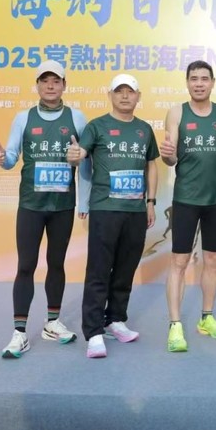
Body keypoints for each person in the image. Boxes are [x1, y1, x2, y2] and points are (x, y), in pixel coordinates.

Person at [0, 60, 91, 359]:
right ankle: (19, 333)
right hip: (31, 205)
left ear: (64, 85)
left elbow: (85, 160)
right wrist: (4, 159)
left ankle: (52, 323)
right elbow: (12, 156)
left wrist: (84, 202)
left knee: (57, 263)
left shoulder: (77, 117)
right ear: (37, 85)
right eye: (45, 81)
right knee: (26, 265)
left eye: (56, 81)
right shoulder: (23, 118)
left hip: (62, 205)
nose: (50, 86)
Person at [67, 74, 158, 359]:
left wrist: (151, 202)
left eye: (130, 92)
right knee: (99, 270)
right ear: (110, 96)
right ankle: (94, 331)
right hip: (105, 208)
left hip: (135, 211)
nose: (125, 96)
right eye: (119, 92)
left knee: (125, 268)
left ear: (138, 96)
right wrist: (74, 154)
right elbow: (81, 154)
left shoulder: (144, 130)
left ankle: (115, 319)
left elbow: (151, 166)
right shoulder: (97, 126)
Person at [159, 60, 216, 352]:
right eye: (194, 78)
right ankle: (175, 325)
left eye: (204, 78)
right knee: (179, 262)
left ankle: (207, 318)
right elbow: (171, 158)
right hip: (186, 199)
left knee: (212, 260)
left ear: (213, 82)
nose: (199, 83)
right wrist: (167, 154)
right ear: (187, 82)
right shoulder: (177, 113)